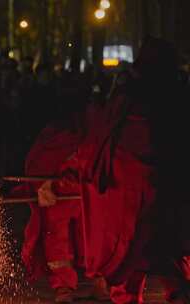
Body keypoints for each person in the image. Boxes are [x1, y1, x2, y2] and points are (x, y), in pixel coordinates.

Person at [38, 37, 190, 303]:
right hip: (165, 193)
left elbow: (98, 150)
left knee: (135, 258)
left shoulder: (129, 102)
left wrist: (62, 182)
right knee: (161, 252)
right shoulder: (174, 97)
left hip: (138, 199)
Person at [17, 114, 109, 303]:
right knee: (61, 242)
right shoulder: (54, 134)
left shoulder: (91, 130)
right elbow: (39, 164)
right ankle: (66, 287)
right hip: (59, 198)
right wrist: (43, 185)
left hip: (81, 195)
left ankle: (99, 282)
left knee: (90, 238)